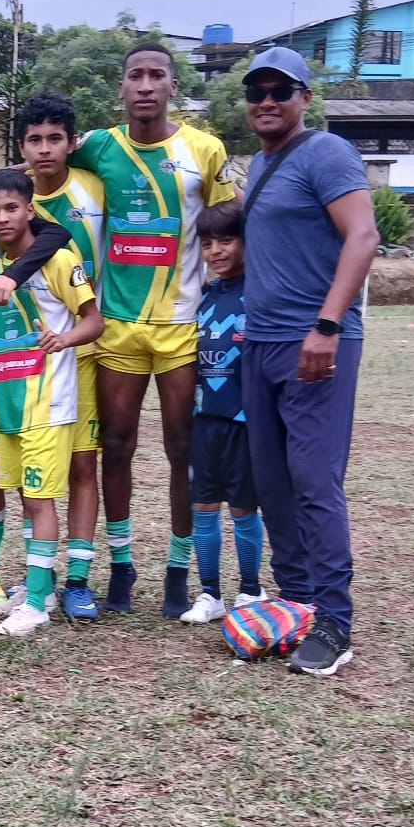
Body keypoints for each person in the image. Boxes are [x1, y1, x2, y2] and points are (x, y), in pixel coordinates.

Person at [0, 43, 237, 619]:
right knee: (116, 449)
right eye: (135, 76)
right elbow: (29, 173)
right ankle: (121, 564)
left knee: (182, 449)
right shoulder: (101, 146)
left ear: (173, 85)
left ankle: (179, 567)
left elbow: (230, 222)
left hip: (182, 325)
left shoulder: (205, 149)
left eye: (156, 75)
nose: (145, 85)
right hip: (115, 329)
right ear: (121, 88)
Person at [240, 46, 378, 677]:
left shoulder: (326, 153)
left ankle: (335, 622)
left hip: (316, 342)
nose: (267, 101)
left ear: (306, 98)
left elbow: (363, 236)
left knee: (315, 480)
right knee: (272, 480)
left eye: (281, 91)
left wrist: (327, 325)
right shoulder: (257, 164)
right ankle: (296, 600)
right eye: (257, 92)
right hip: (261, 343)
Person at [0, 170, 103, 637]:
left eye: (11, 208)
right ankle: (41, 588)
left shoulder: (59, 260)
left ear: (30, 210)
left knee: (39, 499)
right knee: (24, 495)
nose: (2, 218)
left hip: (49, 400)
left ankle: (36, 605)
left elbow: (94, 322)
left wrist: (64, 339)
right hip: (10, 400)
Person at [12, 93, 107, 620]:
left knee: (83, 464)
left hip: (88, 349)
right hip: (32, 362)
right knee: (35, 470)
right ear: (22, 146)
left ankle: (78, 579)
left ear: (72, 143)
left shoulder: (95, 187)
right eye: (35, 140)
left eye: (55, 139)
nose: (45, 149)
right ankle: (40, 579)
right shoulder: (10, 195)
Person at [178, 201, 263, 623]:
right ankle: (210, 594)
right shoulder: (205, 296)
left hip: (244, 423)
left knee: (244, 508)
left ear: (247, 241)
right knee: (203, 506)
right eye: (208, 244)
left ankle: (251, 590)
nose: (216, 251)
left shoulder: (261, 294)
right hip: (205, 421)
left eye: (226, 240)